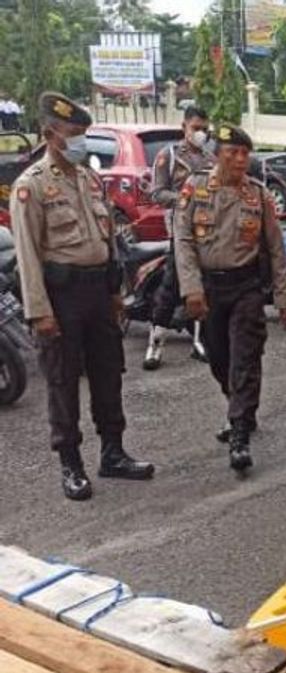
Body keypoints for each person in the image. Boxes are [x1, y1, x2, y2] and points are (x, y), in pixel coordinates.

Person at [9, 92, 154, 500]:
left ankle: (113, 452)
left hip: (97, 292)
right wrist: (40, 312)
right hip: (61, 296)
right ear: (49, 134)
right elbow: (28, 254)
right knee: (63, 380)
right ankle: (70, 463)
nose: (81, 142)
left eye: (83, 133)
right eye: (74, 134)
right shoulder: (31, 187)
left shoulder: (88, 179)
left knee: (109, 373)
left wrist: (115, 292)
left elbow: (108, 242)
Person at [175, 124, 286, 473]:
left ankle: (239, 434)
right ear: (218, 154)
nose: (241, 160)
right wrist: (191, 289)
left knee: (245, 358)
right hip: (209, 288)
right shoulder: (195, 189)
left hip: (246, 288)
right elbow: (182, 241)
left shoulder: (258, 195)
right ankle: (238, 407)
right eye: (233, 153)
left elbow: (276, 249)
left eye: (245, 153)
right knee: (218, 358)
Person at [143, 105, 215, 370]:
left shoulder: (211, 159)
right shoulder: (169, 156)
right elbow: (157, 193)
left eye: (205, 130)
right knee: (171, 287)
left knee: (205, 286)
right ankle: (155, 345)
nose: (201, 134)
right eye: (196, 128)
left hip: (207, 234)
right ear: (184, 127)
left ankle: (200, 342)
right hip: (181, 233)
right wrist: (186, 200)